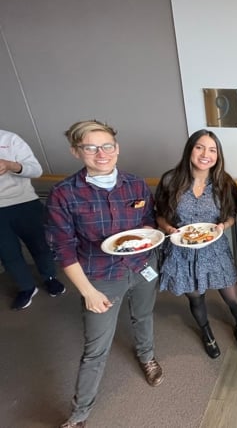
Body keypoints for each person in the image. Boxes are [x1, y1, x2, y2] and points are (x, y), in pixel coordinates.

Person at [45, 120, 163, 428]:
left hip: (142, 266)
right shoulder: (63, 194)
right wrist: (88, 292)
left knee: (144, 316)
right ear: (76, 151)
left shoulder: (136, 184)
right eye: (91, 147)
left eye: (107, 146)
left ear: (117, 148)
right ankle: (80, 413)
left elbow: (148, 219)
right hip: (99, 277)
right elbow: (63, 249)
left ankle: (147, 356)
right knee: (95, 348)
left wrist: (149, 232)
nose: (101, 154)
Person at [155, 129, 237, 359]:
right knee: (196, 297)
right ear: (190, 150)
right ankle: (206, 332)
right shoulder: (170, 180)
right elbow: (159, 214)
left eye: (212, 150)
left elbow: (232, 214)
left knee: (233, 298)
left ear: (218, 155)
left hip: (215, 249)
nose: (206, 154)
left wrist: (222, 227)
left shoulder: (224, 182)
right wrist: (168, 229)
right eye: (200, 147)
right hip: (182, 251)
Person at [0, 129, 65, 309]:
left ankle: (49, 277)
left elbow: (36, 170)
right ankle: (26, 287)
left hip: (24, 202)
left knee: (41, 246)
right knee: (8, 253)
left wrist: (11, 165)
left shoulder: (9, 139)